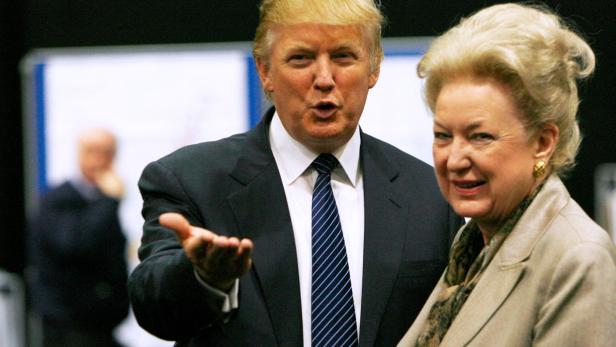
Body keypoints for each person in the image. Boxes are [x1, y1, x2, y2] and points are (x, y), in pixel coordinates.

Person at [128, 0, 462, 346]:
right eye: (301, 58)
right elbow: (154, 308)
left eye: (344, 57)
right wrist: (202, 277)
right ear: (265, 71)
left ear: (374, 68)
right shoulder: (190, 180)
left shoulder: (433, 195)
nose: (324, 79)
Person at [397, 3, 616, 347]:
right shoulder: (474, 245)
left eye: (480, 137)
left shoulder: (577, 257)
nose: (454, 159)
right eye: (443, 135)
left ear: (543, 142)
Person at [28, 128, 129, 347]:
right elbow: (74, 244)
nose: (100, 160)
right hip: (68, 325)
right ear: (79, 154)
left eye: (108, 153)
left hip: (102, 323)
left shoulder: (99, 201)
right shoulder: (58, 200)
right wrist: (109, 201)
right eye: (93, 152)